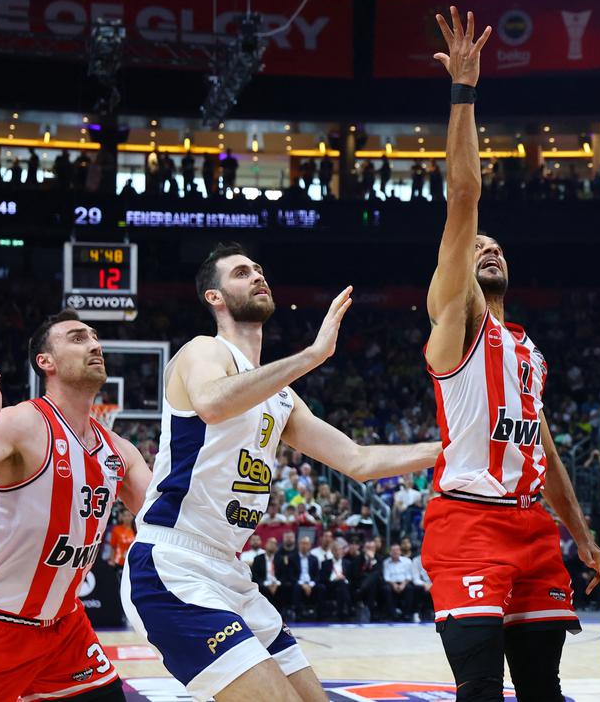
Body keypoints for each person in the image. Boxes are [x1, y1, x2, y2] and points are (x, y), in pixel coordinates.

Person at [120, 242, 441, 702]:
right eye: (241, 272)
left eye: (259, 270)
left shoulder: (280, 396)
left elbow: (359, 461)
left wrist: (450, 449)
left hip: (230, 572)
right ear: (214, 297)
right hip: (174, 564)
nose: (256, 276)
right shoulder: (204, 351)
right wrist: (312, 355)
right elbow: (212, 402)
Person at [422, 6, 600, 702]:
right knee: (480, 691)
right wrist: (464, 91)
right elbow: (464, 193)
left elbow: (548, 451)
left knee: (545, 691)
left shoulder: (527, 348)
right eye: (476, 247)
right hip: (468, 520)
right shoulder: (455, 318)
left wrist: (583, 538)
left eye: (496, 245)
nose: (487, 247)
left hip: (533, 526)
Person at [0, 310, 154, 701]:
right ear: (46, 362)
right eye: (78, 338)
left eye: (95, 337)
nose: (95, 344)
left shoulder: (119, 451)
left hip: (64, 629)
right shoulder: (21, 423)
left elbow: (169, 517)